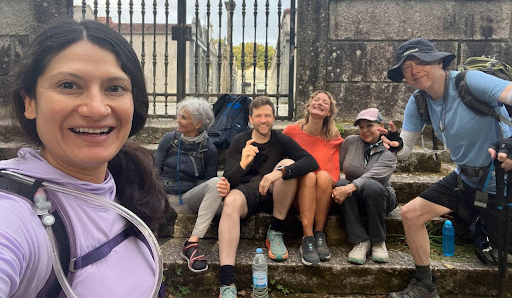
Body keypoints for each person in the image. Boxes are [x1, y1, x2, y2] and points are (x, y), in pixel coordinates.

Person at [0, 18, 170, 298]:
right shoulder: (15, 214)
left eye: (114, 88)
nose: (96, 108)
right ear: (30, 101)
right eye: (69, 85)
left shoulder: (125, 185)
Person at [382, 38, 512, 298]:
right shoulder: (418, 102)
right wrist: (395, 145)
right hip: (464, 178)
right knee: (410, 214)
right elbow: (405, 150)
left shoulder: (470, 81)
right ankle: (425, 284)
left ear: (439, 62)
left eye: (420, 62)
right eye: (406, 67)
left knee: (504, 253)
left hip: (502, 178)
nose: (414, 71)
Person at [217, 96, 318, 298]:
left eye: (267, 115)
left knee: (288, 164)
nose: (263, 120)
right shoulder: (240, 140)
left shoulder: (281, 140)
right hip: (246, 191)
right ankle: (227, 282)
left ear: (274, 118)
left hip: (275, 192)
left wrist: (277, 173)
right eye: (258, 116)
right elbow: (229, 180)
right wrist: (244, 163)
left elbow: (311, 162)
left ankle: (275, 231)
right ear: (250, 118)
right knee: (230, 202)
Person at [154, 97, 230, 273]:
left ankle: (192, 244)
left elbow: (208, 182)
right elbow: (154, 170)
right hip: (162, 197)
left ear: (198, 123)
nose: (178, 120)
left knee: (217, 183)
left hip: (188, 200)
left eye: (184, 117)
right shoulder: (169, 139)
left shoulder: (209, 148)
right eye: (179, 116)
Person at [283, 90, 343, 266]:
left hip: (322, 195)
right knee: (309, 175)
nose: (320, 103)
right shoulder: (291, 132)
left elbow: (335, 173)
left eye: (325, 102)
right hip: (297, 194)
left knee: (323, 176)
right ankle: (307, 237)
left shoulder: (333, 136)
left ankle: (319, 234)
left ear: (329, 112)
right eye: (316, 100)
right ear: (308, 106)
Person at [332, 108, 397, 265]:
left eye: (369, 125)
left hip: (381, 197)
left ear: (381, 125)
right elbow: (335, 164)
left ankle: (378, 242)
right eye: (361, 127)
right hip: (355, 198)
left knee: (371, 186)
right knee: (341, 183)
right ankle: (360, 241)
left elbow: (372, 177)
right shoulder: (350, 142)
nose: (364, 130)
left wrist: (348, 189)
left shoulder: (390, 148)